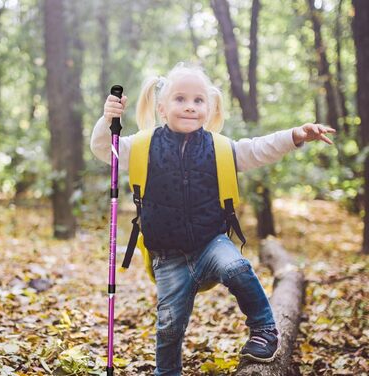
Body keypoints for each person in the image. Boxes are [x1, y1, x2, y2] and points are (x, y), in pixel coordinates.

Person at [90, 62, 335, 375]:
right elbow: (102, 148)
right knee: (169, 327)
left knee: (238, 267)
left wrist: (295, 135)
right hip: (167, 257)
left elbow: (260, 149)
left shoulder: (221, 149)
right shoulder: (142, 147)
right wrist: (108, 119)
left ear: (208, 108)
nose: (190, 107)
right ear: (162, 108)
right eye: (180, 99)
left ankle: (264, 329)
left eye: (198, 100)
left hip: (211, 243)